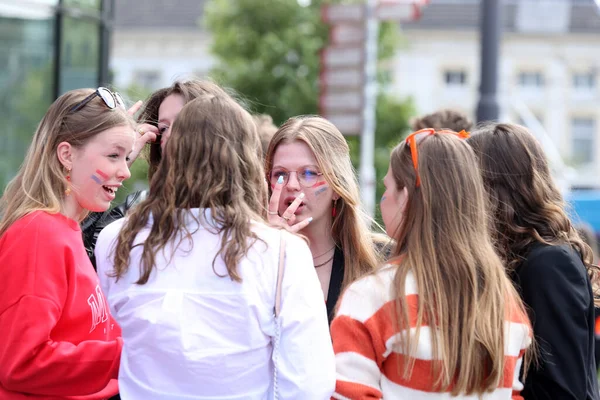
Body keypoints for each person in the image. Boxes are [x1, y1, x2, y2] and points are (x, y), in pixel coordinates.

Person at [95, 95, 335, 399]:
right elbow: (309, 384)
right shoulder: (283, 252)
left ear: (172, 155)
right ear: (246, 160)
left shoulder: (116, 239)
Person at [331, 128, 533, 398]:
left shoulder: (371, 297)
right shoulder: (505, 301)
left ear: (406, 198)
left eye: (387, 187)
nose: (384, 199)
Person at [0, 87, 135, 398]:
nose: (125, 171)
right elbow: (22, 363)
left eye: (126, 157)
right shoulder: (37, 234)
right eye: (113, 155)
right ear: (66, 155)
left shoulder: (61, 230)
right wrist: (130, 353)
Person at [468, 123, 600, 400]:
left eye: (468, 181)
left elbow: (563, 389)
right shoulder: (526, 255)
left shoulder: (549, 263)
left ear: (491, 186)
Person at [82, 79, 230, 268]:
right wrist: (116, 157)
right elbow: (83, 264)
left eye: (185, 122)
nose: (170, 135)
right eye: (164, 128)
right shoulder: (135, 211)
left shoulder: (253, 217)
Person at [264, 116, 386, 322]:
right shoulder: (253, 258)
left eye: (309, 173)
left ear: (337, 187)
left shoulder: (381, 259)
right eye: (280, 175)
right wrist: (267, 252)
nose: (292, 185)